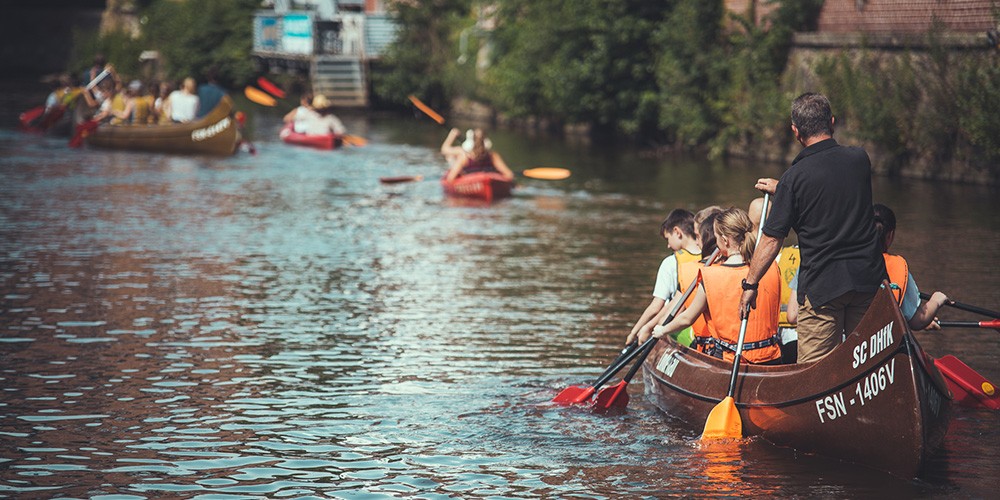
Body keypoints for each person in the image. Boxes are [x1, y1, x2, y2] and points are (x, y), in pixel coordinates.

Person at [739, 92, 887, 364]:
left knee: (816, 371)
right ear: (831, 122)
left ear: (795, 132)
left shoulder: (794, 179)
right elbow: (831, 189)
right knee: (866, 363)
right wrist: (784, 189)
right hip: (867, 279)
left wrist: (750, 283)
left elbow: (772, 240)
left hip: (823, 289)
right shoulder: (860, 160)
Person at [649, 207, 783, 365]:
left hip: (730, 361)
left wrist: (662, 330)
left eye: (717, 236)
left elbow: (687, 318)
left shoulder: (710, 276)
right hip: (772, 358)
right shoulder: (772, 267)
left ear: (725, 241)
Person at [627, 209, 701, 344]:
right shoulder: (709, 257)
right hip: (700, 329)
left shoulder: (671, 262)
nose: (668, 245)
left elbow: (656, 307)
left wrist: (635, 332)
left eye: (668, 238)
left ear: (677, 232)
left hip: (676, 328)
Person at [872, 203, 948, 330]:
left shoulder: (847, 260)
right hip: (879, 340)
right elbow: (918, 320)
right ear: (890, 235)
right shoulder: (896, 266)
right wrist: (936, 300)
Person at [749, 196, 800, 363]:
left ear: (749, 225)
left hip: (764, 341)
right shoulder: (796, 256)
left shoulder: (747, 262)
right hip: (793, 334)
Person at [444, 129, 514, 182]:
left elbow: (450, 179)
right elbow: (509, 175)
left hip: (472, 180)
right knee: (450, 158)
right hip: (483, 180)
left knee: (449, 158)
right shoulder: (492, 156)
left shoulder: (464, 156)